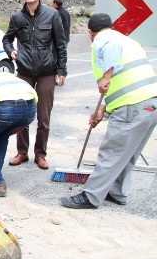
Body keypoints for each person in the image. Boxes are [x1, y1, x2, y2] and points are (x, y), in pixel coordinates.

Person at [60, 13, 157, 209]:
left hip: (132, 106)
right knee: (128, 153)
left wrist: (106, 75)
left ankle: (90, 196)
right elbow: (121, 81)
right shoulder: (128, 40)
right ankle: (117, 192)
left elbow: (111, 52)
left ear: (90, 33)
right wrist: (101, 110)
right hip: (150, 103)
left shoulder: (104, 39)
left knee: (111, 151)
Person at [2, 0, 67, 170]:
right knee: (21, 114)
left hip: (47, 72)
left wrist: (62, 70)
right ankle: (22, 152)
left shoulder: (52, 15)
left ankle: (40, 154)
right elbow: (7, 39)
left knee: (43, 116)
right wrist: (10, 51)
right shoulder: (17, 17)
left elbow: (61, 44)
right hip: (24, 72)